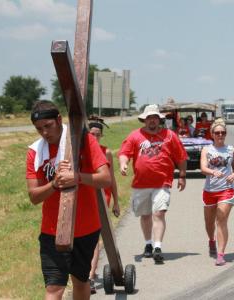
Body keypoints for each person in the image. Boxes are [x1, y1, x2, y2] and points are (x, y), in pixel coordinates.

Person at [26, 100, 112, 299]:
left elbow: (105, 179)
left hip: (86, 227)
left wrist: (77, 177)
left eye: (48, 126)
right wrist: (54, 184)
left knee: (80, 281)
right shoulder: (35, 152)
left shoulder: (84, 141)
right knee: (53, 288)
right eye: (39, 129)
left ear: (59, 120)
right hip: (52, 230)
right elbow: (34, 196)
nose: (45, 133)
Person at [118, 104, 187, 264]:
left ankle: (157, 247)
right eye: (149, 118)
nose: (152, 121)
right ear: (144, 120)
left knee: (159, 213)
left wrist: (182, 176)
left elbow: (181, 157)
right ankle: (148, 243)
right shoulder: (135, 136)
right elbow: (124, 152)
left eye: (155, 118)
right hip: (141, 184)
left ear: (159, 120)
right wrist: (123, 163)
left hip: (162, 182)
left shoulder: (169, 136)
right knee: (145, 215)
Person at [200, 118, 234, 266]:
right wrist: (212, 171)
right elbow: (203, 168)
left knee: (221, 218)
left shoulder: (232, 150)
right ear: (212, 134)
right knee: (209, 222)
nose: (220, 135)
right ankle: (211, 240)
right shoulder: (207, 150)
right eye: (217, 133)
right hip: (210, 190)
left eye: (223, 132)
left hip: (226, 190)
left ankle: (221, 254)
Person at [87, 116, 120, 294]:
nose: (95, 138)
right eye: (91, 134)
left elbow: (111, 178)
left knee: (94, 240)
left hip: (101, 199)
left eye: (98, 135)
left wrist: (116, 201)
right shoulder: (81, 151)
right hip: (84, 198)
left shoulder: (105, 152)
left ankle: (90, 277)